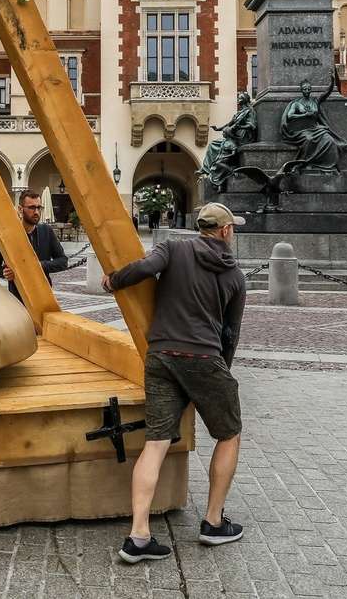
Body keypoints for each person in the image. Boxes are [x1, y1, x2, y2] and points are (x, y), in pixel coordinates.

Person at [102, 202, 248, 562]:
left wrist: (113, 280)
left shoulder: (174, 247)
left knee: (156, 442)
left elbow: (144, 268)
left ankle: (138, 536)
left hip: (163, 354)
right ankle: (213, 522)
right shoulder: (236, 277)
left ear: (201, 227)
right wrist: (217, 376)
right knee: (229, 433)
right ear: (226, 231)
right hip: (204, 358)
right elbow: (230, 334)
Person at [0, 190, 67, 301]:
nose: (36, 212)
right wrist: (4, 273)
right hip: (18, 296)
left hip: (44, 294)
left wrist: (39, 265)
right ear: (20, 209)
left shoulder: (46, 231)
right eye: (32, 208)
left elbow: (63, 261)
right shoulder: (7, 235)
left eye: (39, 208)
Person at [282, 67, 344, 173]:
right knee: (309, 139)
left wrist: (332, 81)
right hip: (302, 130)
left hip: (316, 128)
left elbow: (327, 93)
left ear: (311, 89)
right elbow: (290, 116)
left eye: (308, 89)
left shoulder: (315, 101)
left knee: (330, 140)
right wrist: (305, 114)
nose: (307, 91)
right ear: (301, 90)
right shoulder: (297, 103)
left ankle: (327, 166)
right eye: (305, 89)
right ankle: (303, 164)